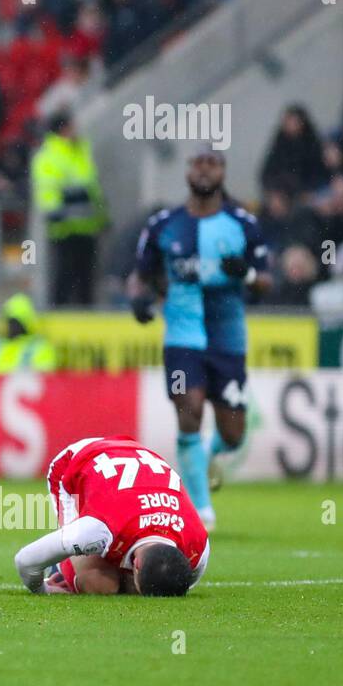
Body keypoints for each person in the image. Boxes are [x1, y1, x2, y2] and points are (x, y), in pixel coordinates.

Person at [127, 146, 271, 526]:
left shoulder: (243, 224)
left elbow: (267, 282)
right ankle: (201, 510)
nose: (204, 170)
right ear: (188, 170)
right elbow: (140, 276)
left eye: (212, 163)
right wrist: (139, 301)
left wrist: (249, 275)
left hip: (228, 341)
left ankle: (204, 458)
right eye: (198, 163)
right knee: (187, 407)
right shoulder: (163, 224)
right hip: (182, 338)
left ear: (223, 171)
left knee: (234, 433)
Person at [14, 435, 210, 596]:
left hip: (138, 460)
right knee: (97, 583)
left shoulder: (198, 546)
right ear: (137, 565)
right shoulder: (98, 528)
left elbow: (177, 584)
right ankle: (60, 569)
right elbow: (25, 561)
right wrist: (45, 590)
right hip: (77, 463)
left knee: (122, 585)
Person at [31, 111, 108, 306]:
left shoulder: (81, 150)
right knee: (63, 277)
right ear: (63, 129)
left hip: (87, 225)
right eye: (71, 126)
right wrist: (58, 210)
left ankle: (86, 318)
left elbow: (93, 188)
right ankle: (59, 316)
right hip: (64, 226)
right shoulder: (49, 155)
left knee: (87, 278)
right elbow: (46, 190)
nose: (75, 130)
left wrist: (102, 217)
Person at [0, 293, 56, 373]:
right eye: (10, 321)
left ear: (27, 324)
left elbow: (45, 378)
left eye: (17, 322)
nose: (12, 326)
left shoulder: (40, 348)